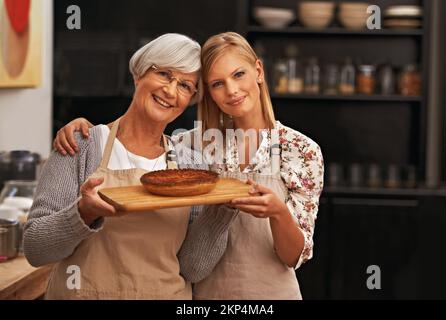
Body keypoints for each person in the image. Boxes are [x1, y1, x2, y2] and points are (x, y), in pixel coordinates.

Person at [52, 32, 324, 300]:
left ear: (259, 71)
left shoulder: (300, 150)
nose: (231, 90)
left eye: (239, 74)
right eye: (218, 83)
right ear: (208, 93)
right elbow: (138, 135)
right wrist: (85, 127)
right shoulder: (192, 147)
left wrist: (278, 212)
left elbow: (292, 257)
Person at [24, 33, 221, 300]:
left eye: (185, 85)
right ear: (139, 74)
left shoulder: (191, 164)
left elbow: (193, 269)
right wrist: (83, 212)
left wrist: (224, 211)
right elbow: (36, 249)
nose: (171, 91)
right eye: (163, 73)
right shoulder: (79, 145)